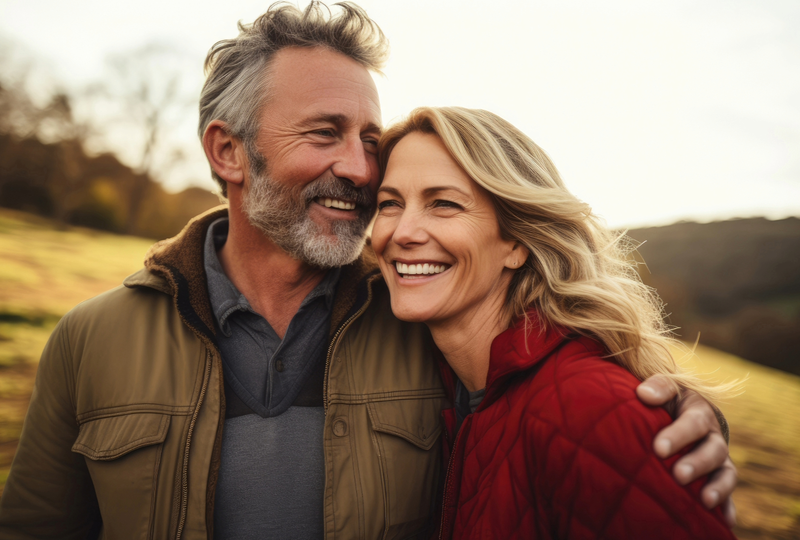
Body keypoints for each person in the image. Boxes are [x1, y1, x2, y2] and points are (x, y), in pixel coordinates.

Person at [0, 3, 735, 538]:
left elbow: (550, 399)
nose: (358, 168)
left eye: (369, 139)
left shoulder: (424, 322)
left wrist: (668, 419)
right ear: (228, 152)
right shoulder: (89, 340)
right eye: (326, 132)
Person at [372, 106, 739, 539]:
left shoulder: (589, 409)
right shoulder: (450, 386)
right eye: (390, 204)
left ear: (516, 242)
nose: (403, 232)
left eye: (445, 204)